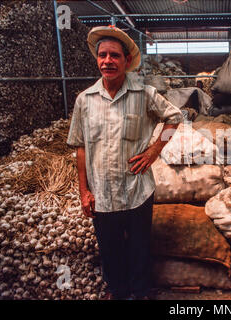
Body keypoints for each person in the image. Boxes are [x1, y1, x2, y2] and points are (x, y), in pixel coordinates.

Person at [67, 26, 183, 300]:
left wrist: (155, 150)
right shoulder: (85, 100)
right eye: (103, 55)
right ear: (97, 59)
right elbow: (80, 147)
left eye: (115, 56)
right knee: (110, 250)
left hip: (137, 191)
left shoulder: (143, 94)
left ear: (127, 61)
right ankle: (118, 293)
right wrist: (83, 191)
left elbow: (175, 117)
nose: (108, 61)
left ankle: (141, 293)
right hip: (103, 194)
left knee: (140, 249)